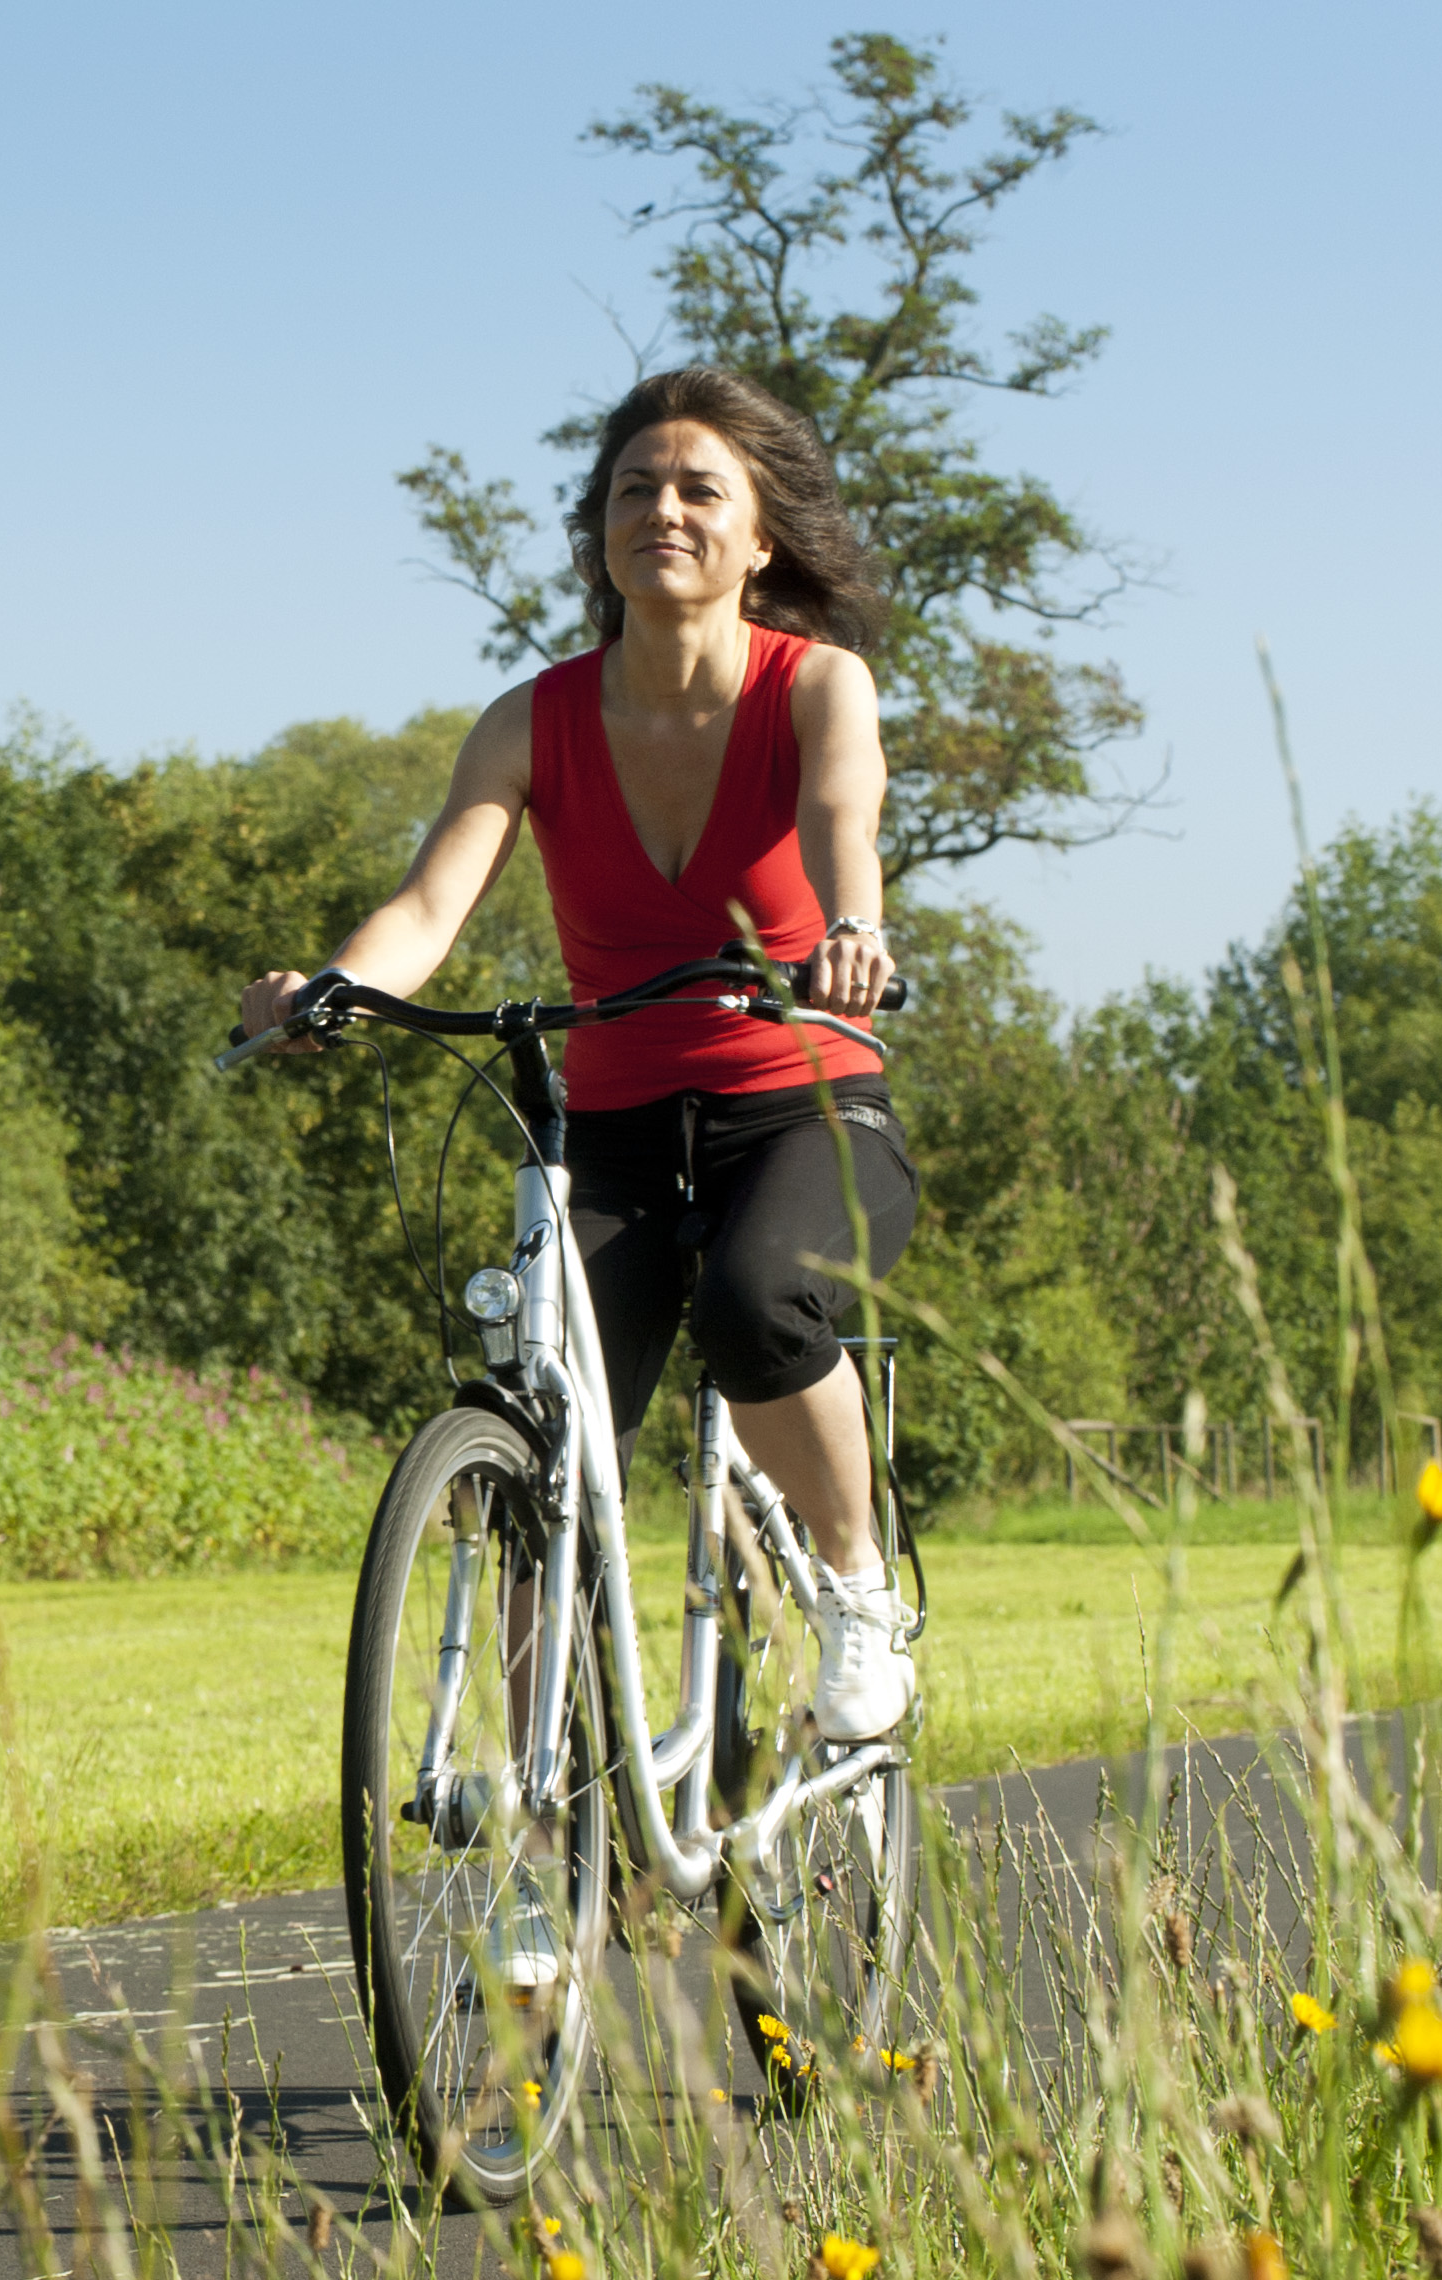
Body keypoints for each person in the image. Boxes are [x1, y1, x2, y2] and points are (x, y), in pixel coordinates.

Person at [240, 365, 921, 1741]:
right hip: (612, 1139)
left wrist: (854, 928)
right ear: (599, 530)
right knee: (536, 1446)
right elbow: (430, 907)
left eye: (695, 488)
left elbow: (850, 827)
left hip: (803, 1117)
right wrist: (334, 986)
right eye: (631, 489)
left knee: (753, 1303)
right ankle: (535, 1817)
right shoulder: (533, 720)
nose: (658, 509)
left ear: (760, 535)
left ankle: (855, 1590)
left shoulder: (817, 688)